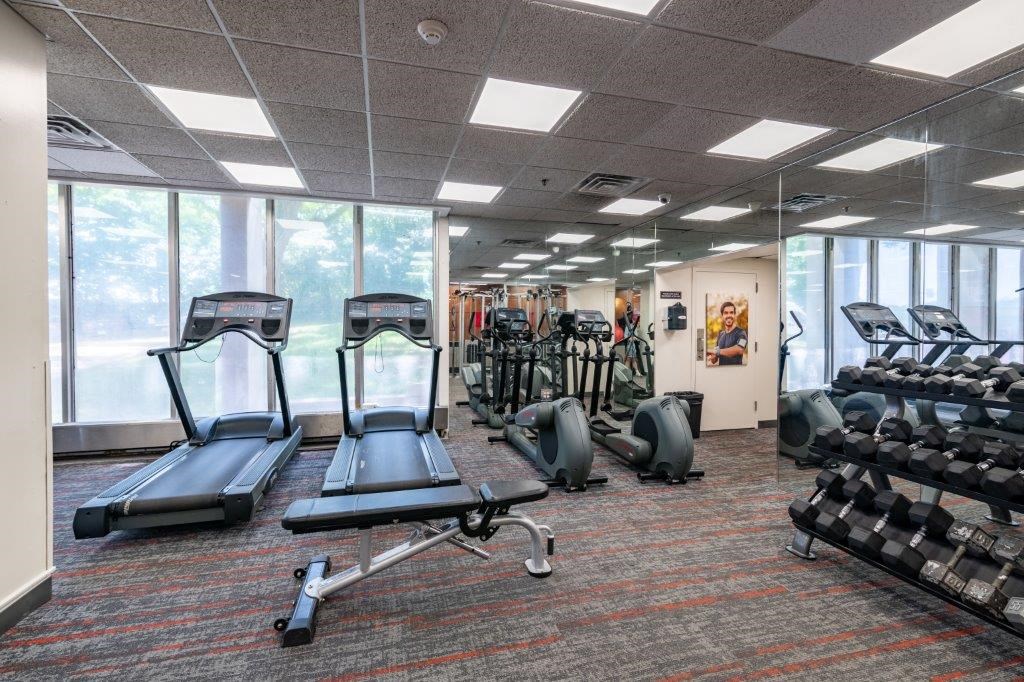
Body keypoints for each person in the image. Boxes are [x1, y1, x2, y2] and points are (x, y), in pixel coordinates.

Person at [707, 301, 747, 366]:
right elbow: (714, 360)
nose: (729, 315)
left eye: (731, 312)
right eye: (726, 313)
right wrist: (712, 356)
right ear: (722, 315)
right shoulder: (720, 335)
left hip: (737, 373)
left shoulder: (741, 333)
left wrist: (716, 351)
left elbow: (739, 349)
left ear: (734, 315)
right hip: (722, 373)